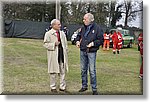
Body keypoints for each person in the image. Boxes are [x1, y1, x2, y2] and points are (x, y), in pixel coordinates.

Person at [75, 13, 103, 95]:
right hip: (83, 50)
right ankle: (84, 86)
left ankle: (94, 89)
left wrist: (93, 44)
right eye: (83, 19)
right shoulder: (83, 28)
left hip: (92, 52)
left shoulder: (97, 28)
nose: (83, 20)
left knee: (92, 71)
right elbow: (78, 36)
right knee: (83, 69)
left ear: (91, 20)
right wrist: (77, 41)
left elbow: (101, 40)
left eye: (85, 19)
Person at [43, 19, 68, 92]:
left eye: (60, 24)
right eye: (58, 24)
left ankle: (62, 86)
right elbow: (45, 44)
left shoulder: (62, 33)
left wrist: (66, 50)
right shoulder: (48, 33)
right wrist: (53, 44)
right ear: (53, 25)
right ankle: (53, 87)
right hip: (53, 54)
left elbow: (65, 44)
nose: (60, 26)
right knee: (53, 71)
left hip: (61, 54)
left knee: (62, 70)